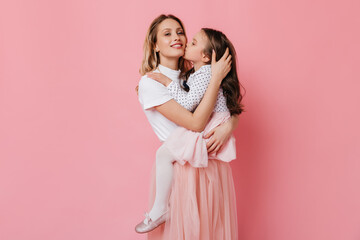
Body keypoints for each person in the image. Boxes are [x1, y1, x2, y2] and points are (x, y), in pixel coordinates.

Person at [136, 14, 243, 239]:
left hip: (209, 165)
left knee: (211, 231)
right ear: (155, 45)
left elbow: (227, 107)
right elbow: (196, 123)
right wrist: (215, 78)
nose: (177, 37)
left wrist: (228, 127)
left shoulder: (191, 75)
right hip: (182, 169)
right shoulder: (150, 82)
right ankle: (159, 210)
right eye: (167, 34)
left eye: (180, 32)